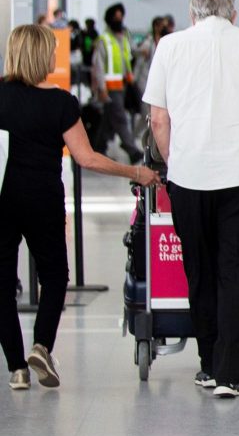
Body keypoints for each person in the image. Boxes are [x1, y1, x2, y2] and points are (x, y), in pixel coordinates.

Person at [143, 0, 239, 398]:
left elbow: (158, 118)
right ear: (233, 14)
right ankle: (229, 374)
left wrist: (175, 162)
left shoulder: (170, 46)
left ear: (193, 15)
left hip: (189, 178)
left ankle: (208, 364)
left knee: (200, 270)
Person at [1, 26, 159, 390]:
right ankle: (41, 345)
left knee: (2, 282)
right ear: (44, 57)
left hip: (2, 198)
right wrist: (136, 171)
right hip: (43, 198)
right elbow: (86, 158)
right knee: (54, 276)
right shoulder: (61, 102)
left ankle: (16, 369)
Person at [91, 2, 143, 164]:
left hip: (125, 85)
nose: (119, 20)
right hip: (110, 87)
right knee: (120, 117)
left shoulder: (124, 36)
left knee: (109, 120)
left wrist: (142, 51)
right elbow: (98, 65)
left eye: (121, 16)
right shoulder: (104, 40)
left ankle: (98, 148)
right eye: (116, 17)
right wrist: (101, 88)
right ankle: (131, 149)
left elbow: (131, 53)